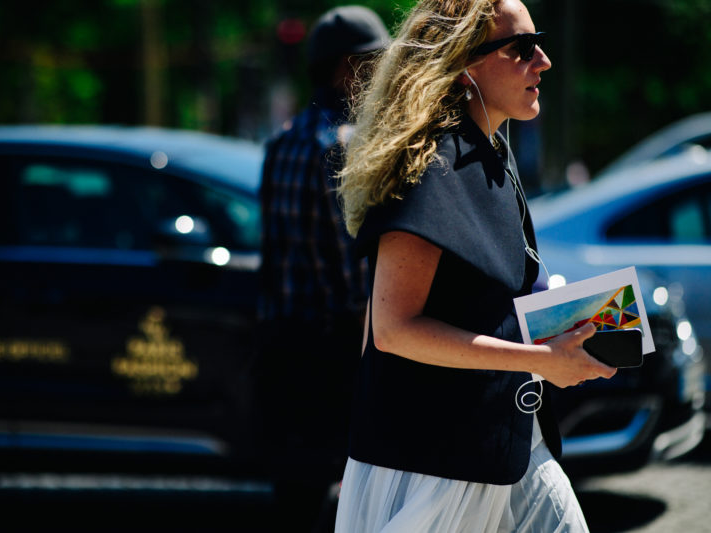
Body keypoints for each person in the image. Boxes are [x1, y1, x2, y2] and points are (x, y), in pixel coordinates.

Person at [333, 0, 617, 531]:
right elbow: (391, 329)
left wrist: (572, 325)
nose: (544, 61)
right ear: (466, 64)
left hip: (503, 437)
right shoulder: (434, 162)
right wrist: (539, 360)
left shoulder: (489, 152)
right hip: (435, 462)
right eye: (524, 48)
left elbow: (484, 299)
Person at [253, 5, 390, 528]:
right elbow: (353, 262)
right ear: (346, 69)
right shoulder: (344, 145)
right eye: (373, 63)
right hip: (332, 349)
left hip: (282, 340)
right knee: (356, 493)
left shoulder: (282, 140)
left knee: (295, 493)